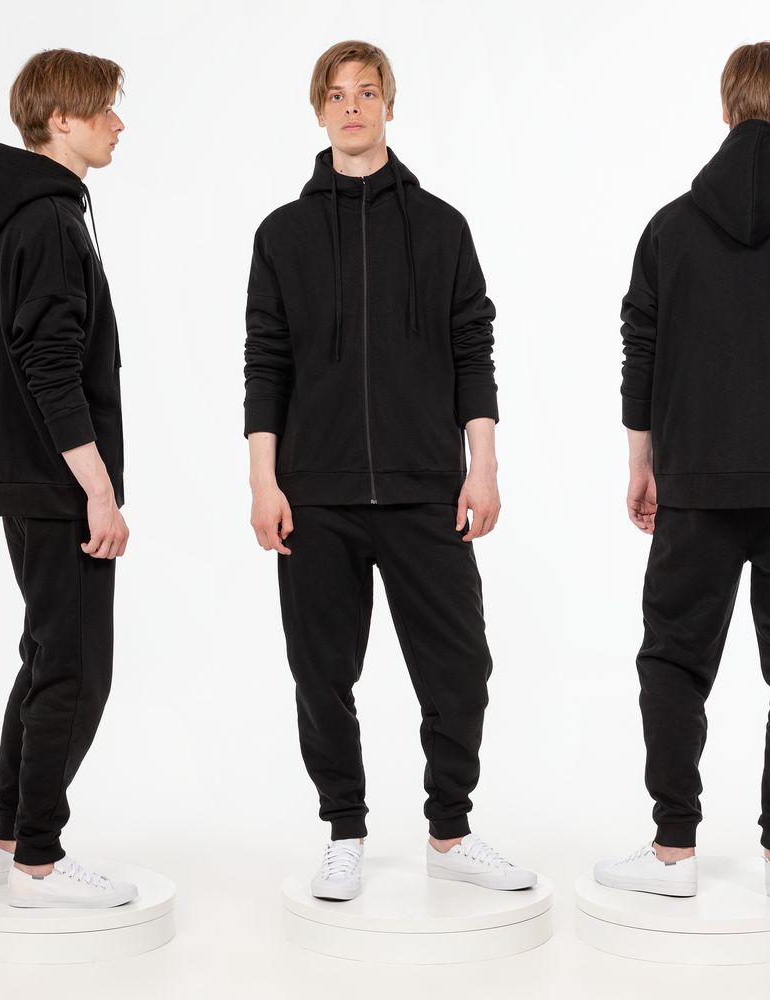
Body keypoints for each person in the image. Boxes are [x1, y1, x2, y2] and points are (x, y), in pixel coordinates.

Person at [244, 39, 536, 901]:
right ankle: (344, 831)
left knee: (461, 670)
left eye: (367, 92)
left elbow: (473, 351)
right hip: (316, 495)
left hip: (424, 490)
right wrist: (264, 480)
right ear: (319, 110)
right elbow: (266, 363)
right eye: (337, 94)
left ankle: (450, 831)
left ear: (389, 106)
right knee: (322, 674)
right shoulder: (284, 235)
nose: (352, 106)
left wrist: (482, 466)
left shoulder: (441, 227)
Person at [595, 41, 770, 900]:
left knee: (673, 662)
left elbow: (640, 353)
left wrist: (642, 463)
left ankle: (673, 852)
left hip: (696, 482)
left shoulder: (670, 228)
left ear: (724, 111)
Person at [0, 48, 137, 908]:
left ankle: (9, 837)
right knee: (74, 671)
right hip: (58, 486)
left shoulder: (33, 216)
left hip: (29, 481)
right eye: (104, 109)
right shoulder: (50, 223)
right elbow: (50, 368)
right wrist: (99, 491)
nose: (118, 123)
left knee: (45, 660)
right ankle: (40, 854)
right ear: (60, 120)